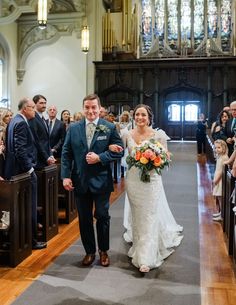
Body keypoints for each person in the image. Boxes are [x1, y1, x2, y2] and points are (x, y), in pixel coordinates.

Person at [109, 104, 183, 273]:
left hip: (152, 180)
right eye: (137, 115)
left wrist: (154, 159)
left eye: (143, 115)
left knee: (149, 214)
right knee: (138, 215)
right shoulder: (127, 134)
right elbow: (120, 152)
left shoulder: (158, 135)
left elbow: (166, 159)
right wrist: (112, 148)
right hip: (134, 180)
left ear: (149, 117)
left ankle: (145, 257)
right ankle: (139, 243)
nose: (140, 118)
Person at [61, 93, 124, 267]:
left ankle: (103, 251)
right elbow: (66, 154)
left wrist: (101, 157)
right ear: (83, 108)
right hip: (80, 180)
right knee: (84, 218)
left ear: (99, 108)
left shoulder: (109, 127)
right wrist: (65, 176)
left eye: (93, 107)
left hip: (101, 180)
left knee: (103, 216)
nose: (90, 111)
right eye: (87, 107)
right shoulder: (73, 128)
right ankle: (89, 251)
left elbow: (119, 151)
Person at [4, 97, 47, 249]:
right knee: (29, 206)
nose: (34, 110)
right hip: (22, 172)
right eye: (31, 107)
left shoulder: (13, 121)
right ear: (24, 109)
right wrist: (29, 169)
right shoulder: (21, 122)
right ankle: (32, 241)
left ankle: (23, 241)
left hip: (14, 171)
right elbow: (20, 148)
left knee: (21, 207)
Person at [29, 94, 56, 169]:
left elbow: (47, 140)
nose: (44, 105)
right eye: (41, 103)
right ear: (34, 104)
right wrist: (47, 157)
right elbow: (37, 141)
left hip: (45, 158)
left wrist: (50, 155)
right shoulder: (33, 118)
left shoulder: (43, 118)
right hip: (38, 159)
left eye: (45, 103)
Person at [212, 140, 229, 221]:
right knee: (219, 197)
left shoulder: (224, 157)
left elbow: (222, 171)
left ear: (224, 148)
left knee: (220, 198)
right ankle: (220, 213)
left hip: (220, 180)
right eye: (215, 148)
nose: (217, 149)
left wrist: (216, 181)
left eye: (219, 147)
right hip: (217, 178)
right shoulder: (219, 156)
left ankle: (222, 215)